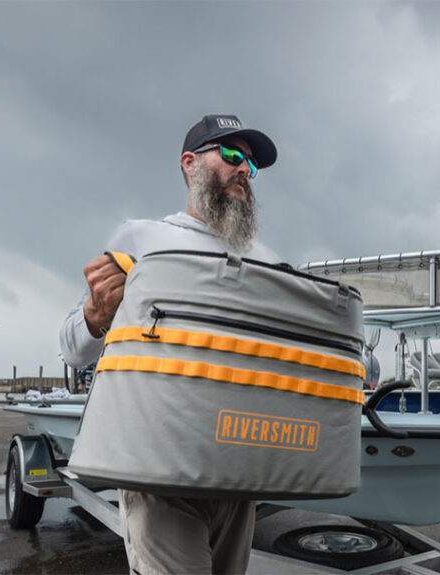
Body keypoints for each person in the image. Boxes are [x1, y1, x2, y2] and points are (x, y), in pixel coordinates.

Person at [60, 114, 279, 574]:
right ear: (189, 164)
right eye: (233, 155)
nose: (245, 169)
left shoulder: (268, 261)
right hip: (159, 469)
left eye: (252, 164)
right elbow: (73, 349)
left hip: (239, 472)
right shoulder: (141, 238)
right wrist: (95, 315)